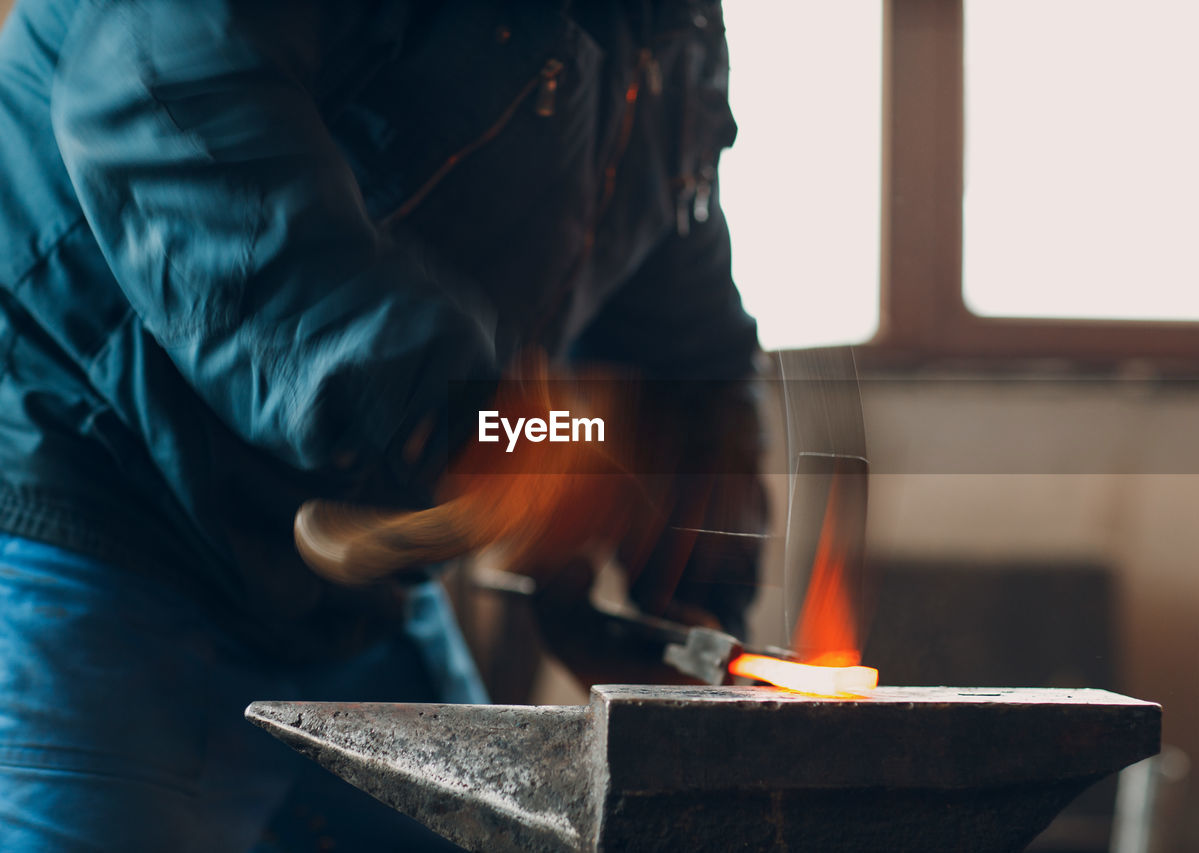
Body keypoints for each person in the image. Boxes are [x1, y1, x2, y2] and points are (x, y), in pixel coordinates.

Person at [0, 0, 763, 849]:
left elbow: (679, 334)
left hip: (352, 588)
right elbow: (160, 91)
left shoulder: (668, 31)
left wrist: (694, 605)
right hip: (93, 491)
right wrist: (467, 420)